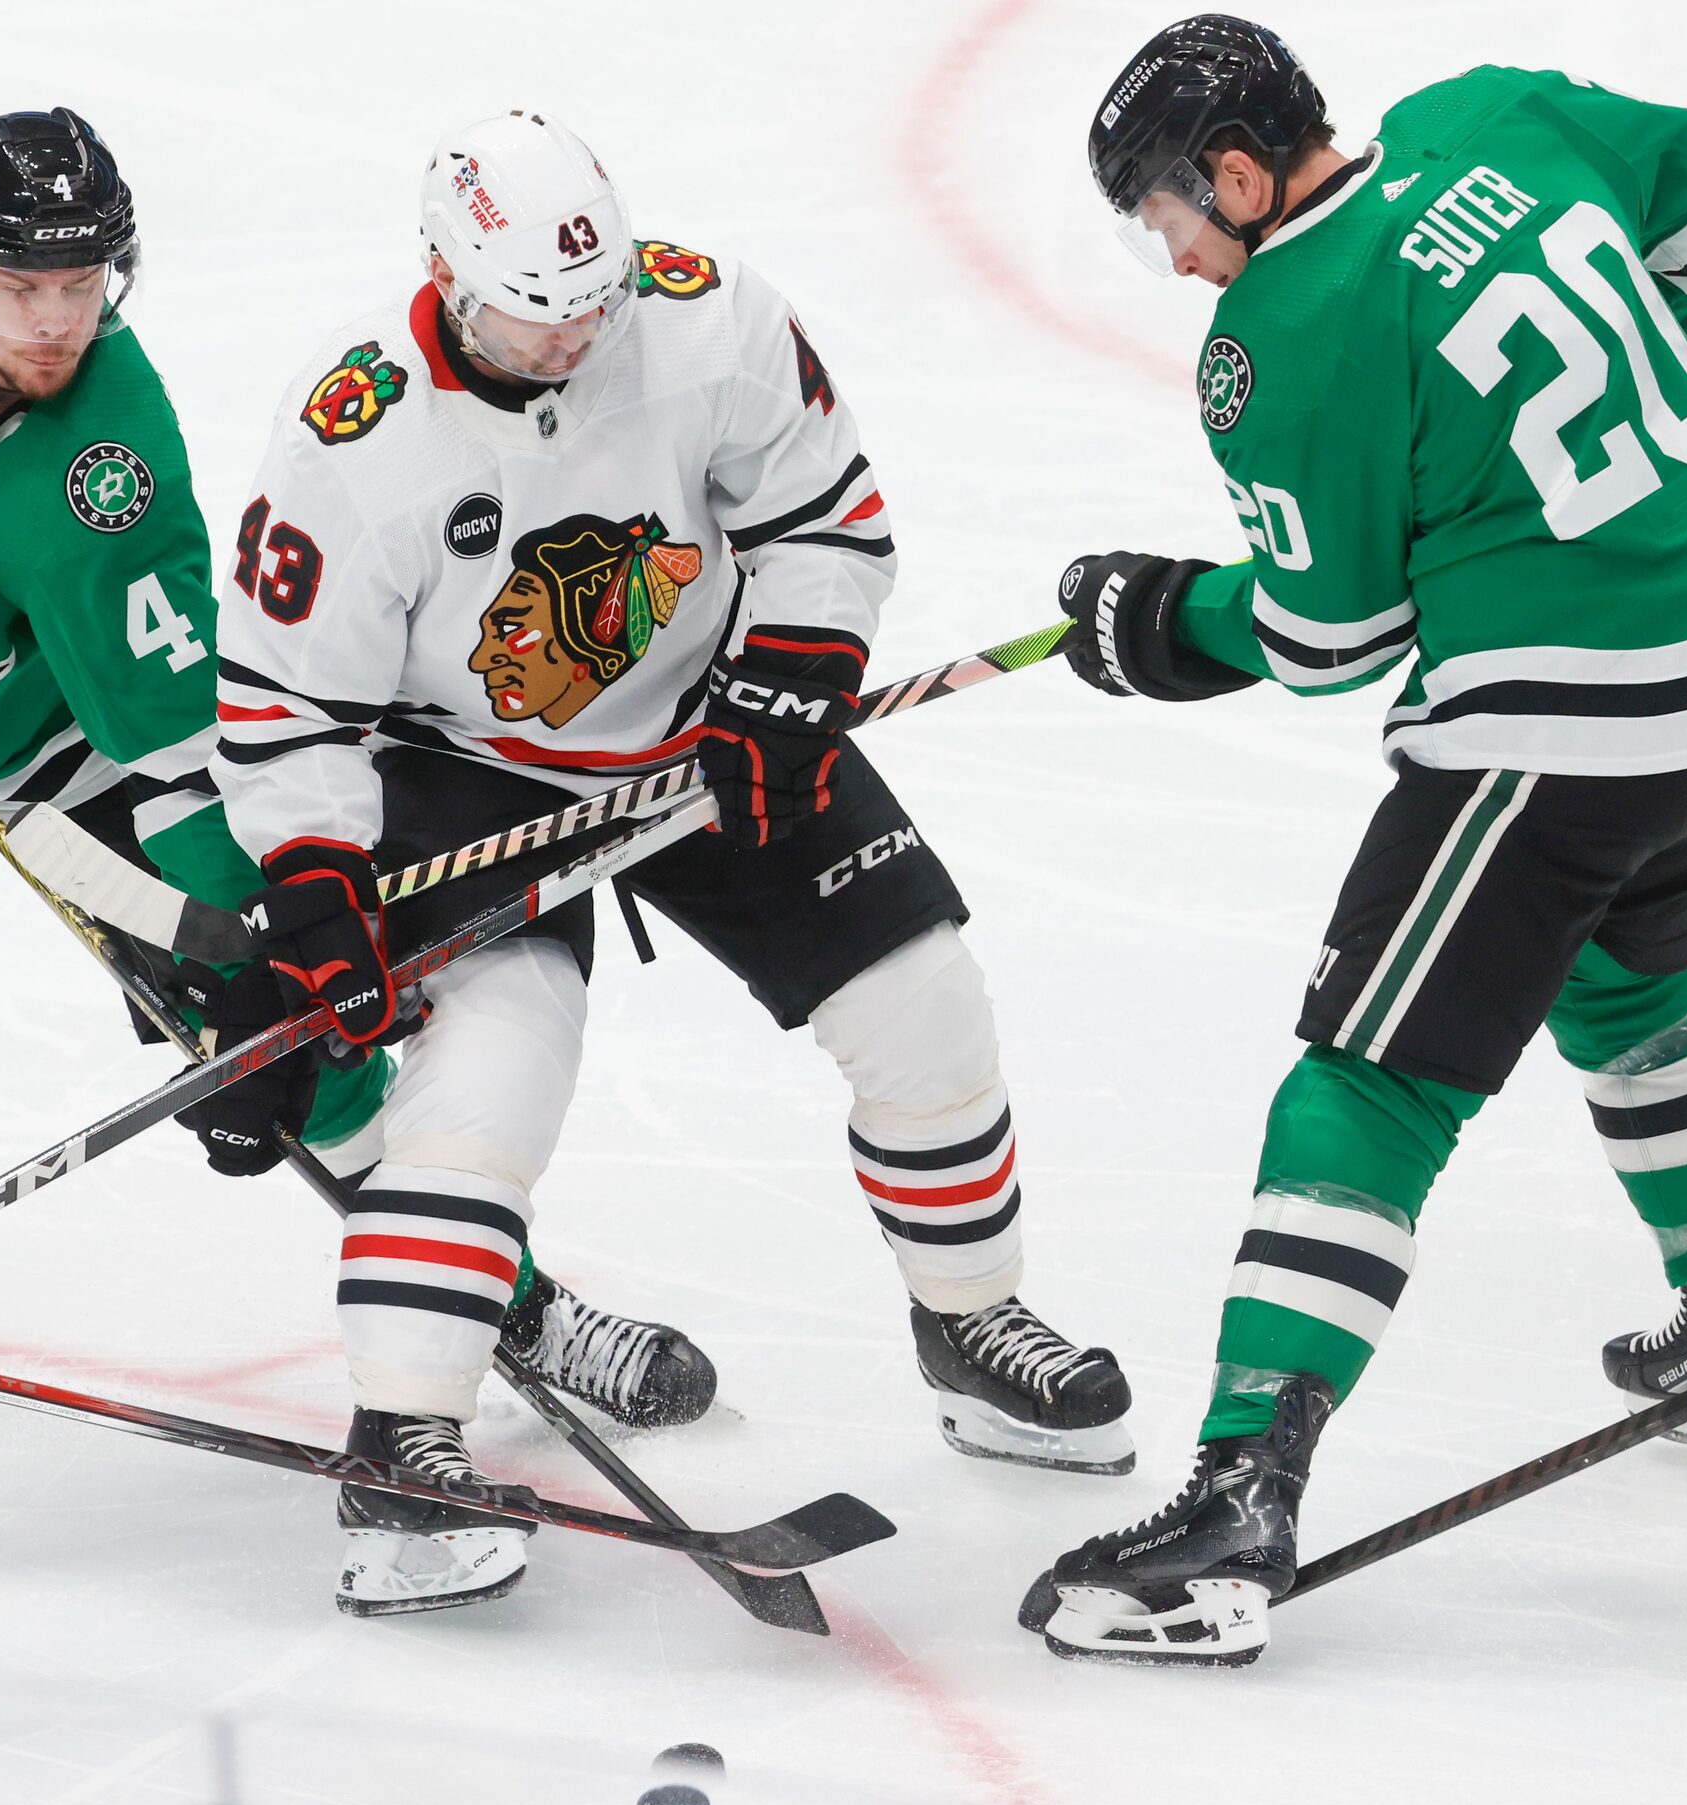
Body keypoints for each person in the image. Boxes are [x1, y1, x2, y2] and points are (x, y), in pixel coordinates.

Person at [0, 105, 686, 1509]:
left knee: (294, 1034)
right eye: (19, 286)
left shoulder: (118, 467)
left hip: (62, 753)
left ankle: (502, 1299)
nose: (54, 323)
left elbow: (170, 758)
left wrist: (244, 942)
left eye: (84, 287)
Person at [214, 111, 1135, 1618]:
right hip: (465, 768)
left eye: (597, 298)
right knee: (490, 1079)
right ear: (445, 274)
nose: (578, 332)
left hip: (710, 725)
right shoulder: (352, 435)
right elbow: (286, 698)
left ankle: (974, 1324)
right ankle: (404, 1445)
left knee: (924, 998)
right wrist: (315, 879)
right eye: (535, 307)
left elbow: (825, 514)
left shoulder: (702, 311)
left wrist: (790, 674)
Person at [1023, 17, 1687, 1667]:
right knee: (1621, 978)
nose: (1172, 256)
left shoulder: (1282, 332)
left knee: (1367, 1074)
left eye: (1170, 214)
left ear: (1241, 173)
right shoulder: (1497, 111)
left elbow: (1329, 634)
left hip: (1560, 741)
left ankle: (1240, 1496)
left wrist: (1167, 621)